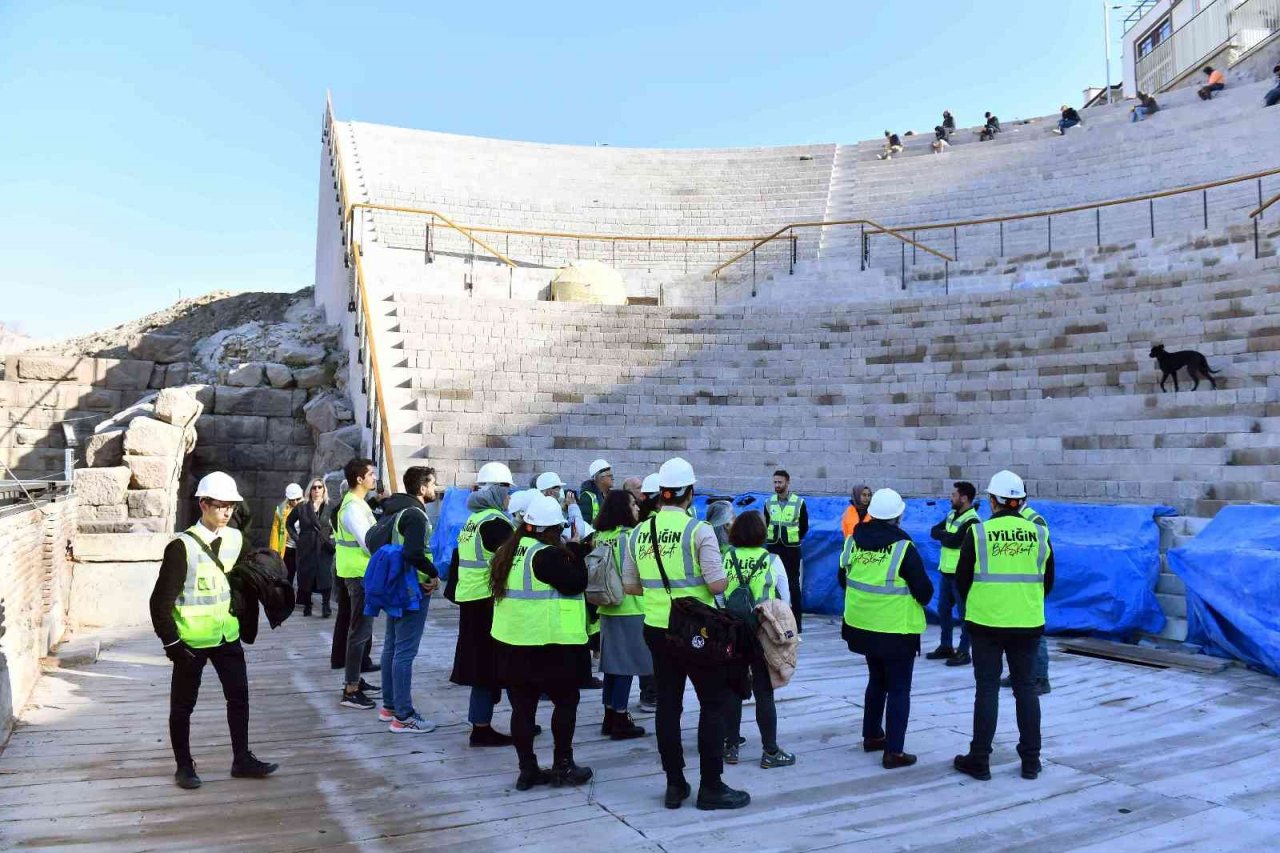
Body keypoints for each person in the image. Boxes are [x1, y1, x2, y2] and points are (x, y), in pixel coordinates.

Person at [623, 457, 749, 811]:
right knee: (712, 704)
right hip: (698, 631)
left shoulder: (638, 533)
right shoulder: (699, 531)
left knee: (668, 707)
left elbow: (631, 587)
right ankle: (712, 786)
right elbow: (718, 583)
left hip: (658, 630)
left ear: (661, 494)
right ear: (689, 494)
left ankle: (674, 784)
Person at [149, 471, 278, 789]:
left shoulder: (235, 538)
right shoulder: (181, 547)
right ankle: (184, 766)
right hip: (190, 640)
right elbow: (158, 603)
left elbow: (246, 574)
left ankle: (242, 759)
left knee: (239, 699)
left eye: (232, 506)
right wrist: (172, 643)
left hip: (226, 635)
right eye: (221, 505)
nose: (227, 512)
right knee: (182, 706)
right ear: (203, 504)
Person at [953, 470, 1054, 782]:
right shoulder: (1038, 533)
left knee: (987, 688)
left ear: (992, 501)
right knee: (1026, 689)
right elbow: (1048, 581)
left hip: (986, 622)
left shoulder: (978, 532)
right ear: (1020, 501)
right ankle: (1031, 761)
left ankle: (980, 759)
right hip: (1027, 622)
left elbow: (962, 579)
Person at [489, 494, 594, 790]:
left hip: (512, 642)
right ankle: (563, 765)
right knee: (565, 703)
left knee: (522, 710)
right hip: (550, 644)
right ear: (550, 530)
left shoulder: (507, 551)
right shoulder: (546, 555)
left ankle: (528, 770)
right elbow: (576, 584)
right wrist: (576, 551)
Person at [839, 488, 933, 770]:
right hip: (896, 630)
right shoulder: (903, 548)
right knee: (899, 688)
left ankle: (871, 735)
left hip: (862, 626)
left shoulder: (854, 540)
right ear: (898, 517)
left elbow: (843, 578)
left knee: (876, 680)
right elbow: (925, 592)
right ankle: (894, 751)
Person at [448, 462, 520, 747]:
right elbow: (515, 558)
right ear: (497, 490)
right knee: (490, 665)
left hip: (471, 597)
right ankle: (484, 726)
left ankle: (482, 723)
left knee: (482, 664)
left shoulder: (474, 518)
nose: (510, 497)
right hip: (486, 601)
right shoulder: (495, 522)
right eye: (507, 490)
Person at [720, 510, 795, 770]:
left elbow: (718, 596)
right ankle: (770, 752)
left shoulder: (726, 557)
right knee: (764, 691)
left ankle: (730, 747)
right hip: (762, 631)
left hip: (732, 630)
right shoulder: (772, 560)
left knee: (732, 689)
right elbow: (785, 600)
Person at [374, 465, 441, 733]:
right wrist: (434, 574)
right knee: (404, 652)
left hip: (396, 586)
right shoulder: (415, 515)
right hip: (412, 589)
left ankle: (389, 706)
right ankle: (403, 715)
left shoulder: (397, 510)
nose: (435, 488)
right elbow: (414, 552)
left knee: (391, 646)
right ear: (422, 488)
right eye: (433, 484)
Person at [590, 489, 650, 740]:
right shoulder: (630, 536)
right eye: (633, 504)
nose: (637, 508)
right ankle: (621, 718)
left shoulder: (600, 536)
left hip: (606, 606)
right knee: (626, 666)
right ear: (623, 509)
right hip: (630, 607)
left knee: (612, 666)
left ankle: (609, 714)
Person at [335, 458, 381, 710]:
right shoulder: (352, 507)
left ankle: (355, 680)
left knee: (362, 630)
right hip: (359, 574)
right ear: (359, 479)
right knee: (359, 631)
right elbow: (368, 542)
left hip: (362, 573)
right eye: (371, 474)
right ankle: (350, 688)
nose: (375, 478)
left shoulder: (358, 504)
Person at [928, 481, 980, 667]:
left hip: (962, 575)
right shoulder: (952, 514)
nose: (951, 498)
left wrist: (945, 538)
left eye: (954, 495)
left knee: (965, 614)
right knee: (943, 610)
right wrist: (946, 538)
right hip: (946, 572)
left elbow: (954, 541)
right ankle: (946, 646)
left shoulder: (972, 521)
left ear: (964, 498)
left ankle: (964, 651)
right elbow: (934, 531)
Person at [764, 469, 808, 632]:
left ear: (787, 483)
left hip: (791, 550)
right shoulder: (769, 503)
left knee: (793, 585)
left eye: (779, 482)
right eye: (775, 482)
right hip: (774, 548)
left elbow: (804, 527)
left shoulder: (799, 502)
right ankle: (775, 621)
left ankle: (797, 623)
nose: (777, 485)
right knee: (772, 583)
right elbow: (767, 523)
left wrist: (793, 538)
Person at [289, 478, 335, 617]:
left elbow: (337, 525)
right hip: (307, 547)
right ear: (310, 490)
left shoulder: (330, 507)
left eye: (319, 487)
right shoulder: (302, 507)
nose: (316, 490)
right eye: (314, 487)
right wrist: (298, 540)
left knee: (325, 576)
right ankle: (307, 605)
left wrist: (332, 539)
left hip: (323, 546)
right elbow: (289, 523)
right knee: (306, 576)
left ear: (324, 489)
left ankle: (325, 606)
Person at [269, 483, 304, 586]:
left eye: (298, 499)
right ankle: (286, 598)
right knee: (288, 575)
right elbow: (275, 531)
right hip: (287, 547)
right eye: (293, 499)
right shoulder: (281, 510)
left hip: (302, 548)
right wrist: (274, 552)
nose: (295, 502)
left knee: (304, 576)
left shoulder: (307, 508)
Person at [578, 458, 613, 526]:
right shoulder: (586, 497)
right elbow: (585, 524)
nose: (613, 478)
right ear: (601, 479)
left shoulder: (612, 495)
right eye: (610, 476)